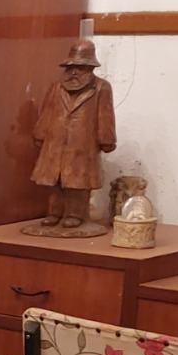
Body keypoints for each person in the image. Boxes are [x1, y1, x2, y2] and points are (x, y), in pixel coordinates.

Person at [30, 38, 116, 229]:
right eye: (71, 67)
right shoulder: (56, 86)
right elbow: (47, 111)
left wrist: (106, 139)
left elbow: (105, 115)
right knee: (54, 181)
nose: (74, 72)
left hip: (82, 144)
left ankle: (75, 214)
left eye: (80, 67)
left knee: (77, 182)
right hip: (55, 142)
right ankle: (55, 212)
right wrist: (40, 133)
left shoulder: (101, 87)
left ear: (90, 68)